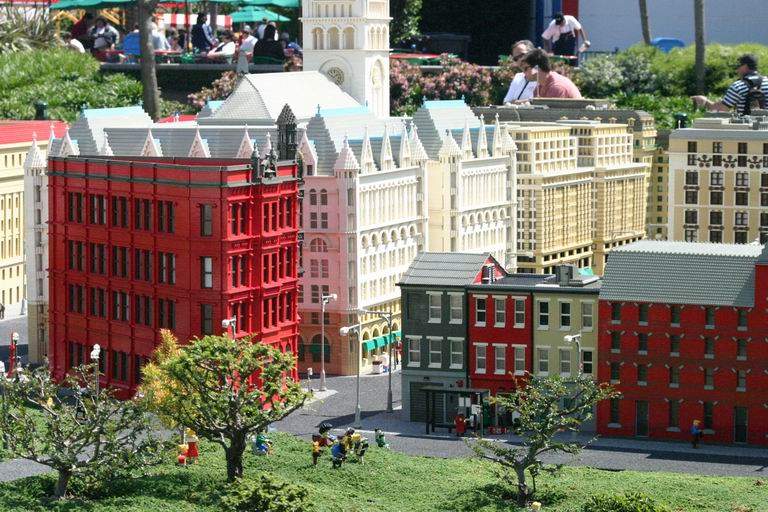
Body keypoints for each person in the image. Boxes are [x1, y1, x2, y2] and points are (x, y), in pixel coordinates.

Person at [692, 54, 768, 116]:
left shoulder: (738, 86)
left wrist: (705, 102)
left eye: (738, 66)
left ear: (745, 66)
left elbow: (720, 109)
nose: (737, 70)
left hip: (746, 128)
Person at [503, 40, 538, 104]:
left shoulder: (542, 76)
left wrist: (516, 102)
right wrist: (527, 101)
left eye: (522, 55)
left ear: (533, 54)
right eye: (516, 59)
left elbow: (542, 101)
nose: (520, 60)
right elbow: (506, 102)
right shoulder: (518, 77)